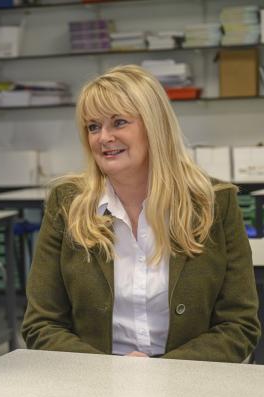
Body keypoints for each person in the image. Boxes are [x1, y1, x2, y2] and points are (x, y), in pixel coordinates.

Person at [22, 65, 259, 362]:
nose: (103, 137)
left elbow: (239, 324)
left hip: (192, 381)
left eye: (118, 122)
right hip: (92, 382)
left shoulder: (213, 202)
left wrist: (162, 372)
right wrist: (111, 370)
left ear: (154, 127)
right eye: (93, 127)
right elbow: (41, 324)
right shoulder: (68, 203)